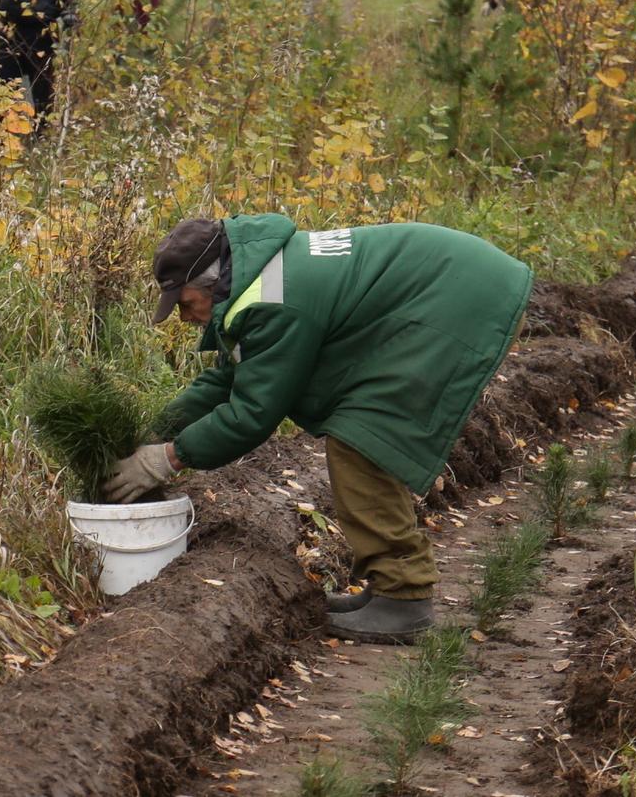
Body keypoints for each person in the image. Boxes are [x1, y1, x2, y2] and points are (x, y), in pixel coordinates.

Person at [107, 214, 535, 644]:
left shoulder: (273, 298)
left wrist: (166, 459)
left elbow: (253, 413)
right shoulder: (255, 279)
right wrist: (150, 435)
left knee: (363, 439)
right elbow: (228, 380)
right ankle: (387, 591)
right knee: (359, 434)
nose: (184, 319)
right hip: (450, 290)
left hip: (459, 302)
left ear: (210, 281)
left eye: (184, 304)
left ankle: (403, 599)